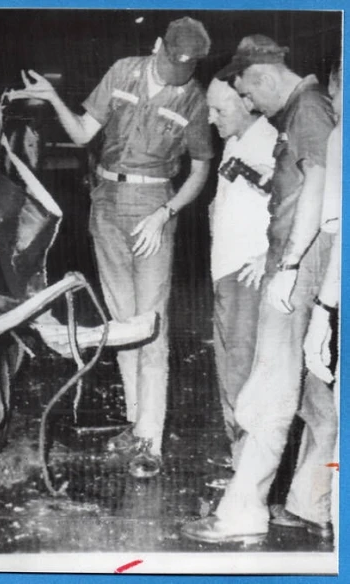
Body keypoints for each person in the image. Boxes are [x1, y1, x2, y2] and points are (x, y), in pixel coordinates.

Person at [9, 17, 214, 478]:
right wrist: (53, 99)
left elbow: (200, 169)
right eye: (166, 66)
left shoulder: (194, 98)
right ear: (157, 46)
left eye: (182, 72)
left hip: (153, 208)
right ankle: (135, 422)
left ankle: (151, 441)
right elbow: (83, 132)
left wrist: (166, 214)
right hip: (105, 202)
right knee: (122, 325)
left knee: (151, 325)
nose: (171, 78)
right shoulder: (123, 71)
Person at [182, 35, 335, 543]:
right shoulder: (299, 112)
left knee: (266, 396)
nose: (248, 103)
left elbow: (316, 187)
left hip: (296, 267)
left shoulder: (307, 109)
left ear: (264, 76)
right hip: (294, 263)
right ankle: (309, 502)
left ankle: (244, 513)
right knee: (302, 392)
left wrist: (289, 266)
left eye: (246, 91)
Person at [266, 57, 341, 543]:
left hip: (332, 279)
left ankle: (319, 507)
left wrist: (323, 309)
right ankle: (312, 503)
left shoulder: (338, 136)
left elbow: (338, 230)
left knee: (326, 394)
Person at [205, 78, 277, 471]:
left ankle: (249, 473)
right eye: (210, 108)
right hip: (225, 271)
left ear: (248, 103)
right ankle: (239, 463)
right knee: (228, 368)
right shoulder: (234, 140)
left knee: (242, 373)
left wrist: (268, 254)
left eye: (221, 110)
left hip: (246, 275)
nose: (211, 117)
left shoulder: (270, 141)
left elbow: (294, 201)